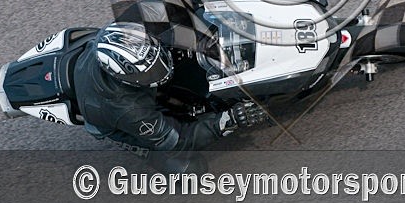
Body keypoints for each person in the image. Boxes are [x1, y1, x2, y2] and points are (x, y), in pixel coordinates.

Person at [73, 21, 268, 160]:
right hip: (114, 120)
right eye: (152, 71)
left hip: (89, 59)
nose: (162, 70)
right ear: (126, 78)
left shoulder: (132, 26)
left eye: (158, 60)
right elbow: (179, 141)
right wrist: (227, 121)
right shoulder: (130, 111)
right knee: (191, 172)